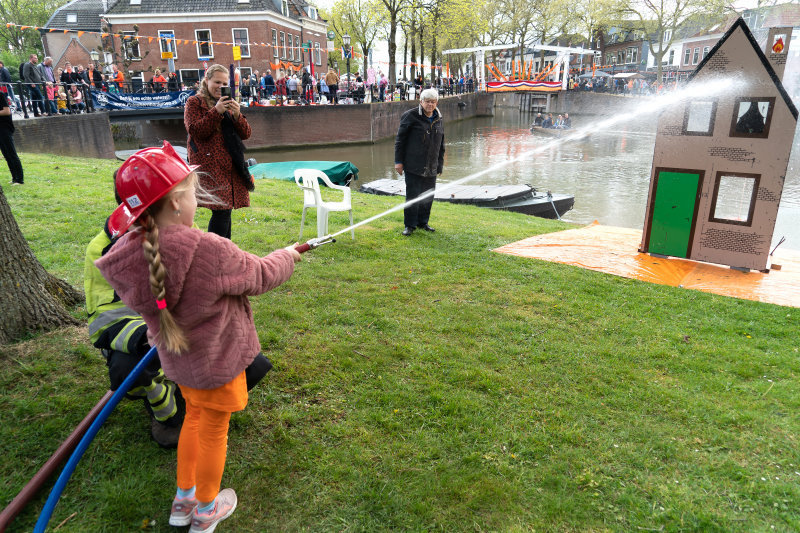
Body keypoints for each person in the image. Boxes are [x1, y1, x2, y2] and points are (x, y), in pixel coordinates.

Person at [94, 142, 301, 533]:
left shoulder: (129, 251)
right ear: (174, 202)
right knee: (212, 432)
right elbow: (259, 276)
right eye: (192, 191)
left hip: (181, 365)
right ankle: (206, 510)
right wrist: (287, 255)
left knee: (193, 422)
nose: (197, 200)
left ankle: (183, 499)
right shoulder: (209, 249)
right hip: (219, 364)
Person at [84, 170, 186, 447]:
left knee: (251, 364)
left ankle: (199, 390)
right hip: (141, 339)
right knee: (130, 369)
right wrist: (148, 333)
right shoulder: (102, 249)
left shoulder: (181, 229)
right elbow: (103, 316)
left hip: (184, 327)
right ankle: (167, 415)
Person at [184, 63, 253, 240]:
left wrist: (237, 115)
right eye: (217, 82)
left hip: (230, 165)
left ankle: (224, 251)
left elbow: (245, 134)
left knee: (226, 210)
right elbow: (196, 131)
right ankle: (215, 253)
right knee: (221, 211)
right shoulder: (194, 103)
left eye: (224, 84)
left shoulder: (228, 104)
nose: (221, 87)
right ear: (206, 80)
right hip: (211, 166)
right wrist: (216, 111)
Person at [394, 88, 445, 236]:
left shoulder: (439, 118)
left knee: (428, 195)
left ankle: (423, 222)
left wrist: (439, 164)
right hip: (413, 165)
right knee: (413, 195)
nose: (430, 104)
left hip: (431, 165)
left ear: (436, 103)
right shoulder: (410, 116)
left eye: (433, 102)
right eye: (427, 101)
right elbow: (400, 141)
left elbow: (441, 143)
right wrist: (398, 162)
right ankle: (409, 225)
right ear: (421, 101)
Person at [0, 89, 24, 185]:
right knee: (6, 154)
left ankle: (20, 179)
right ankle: (14, 177)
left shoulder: (0, 94)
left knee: (11, 153)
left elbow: (7, 111)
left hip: (4, 127)